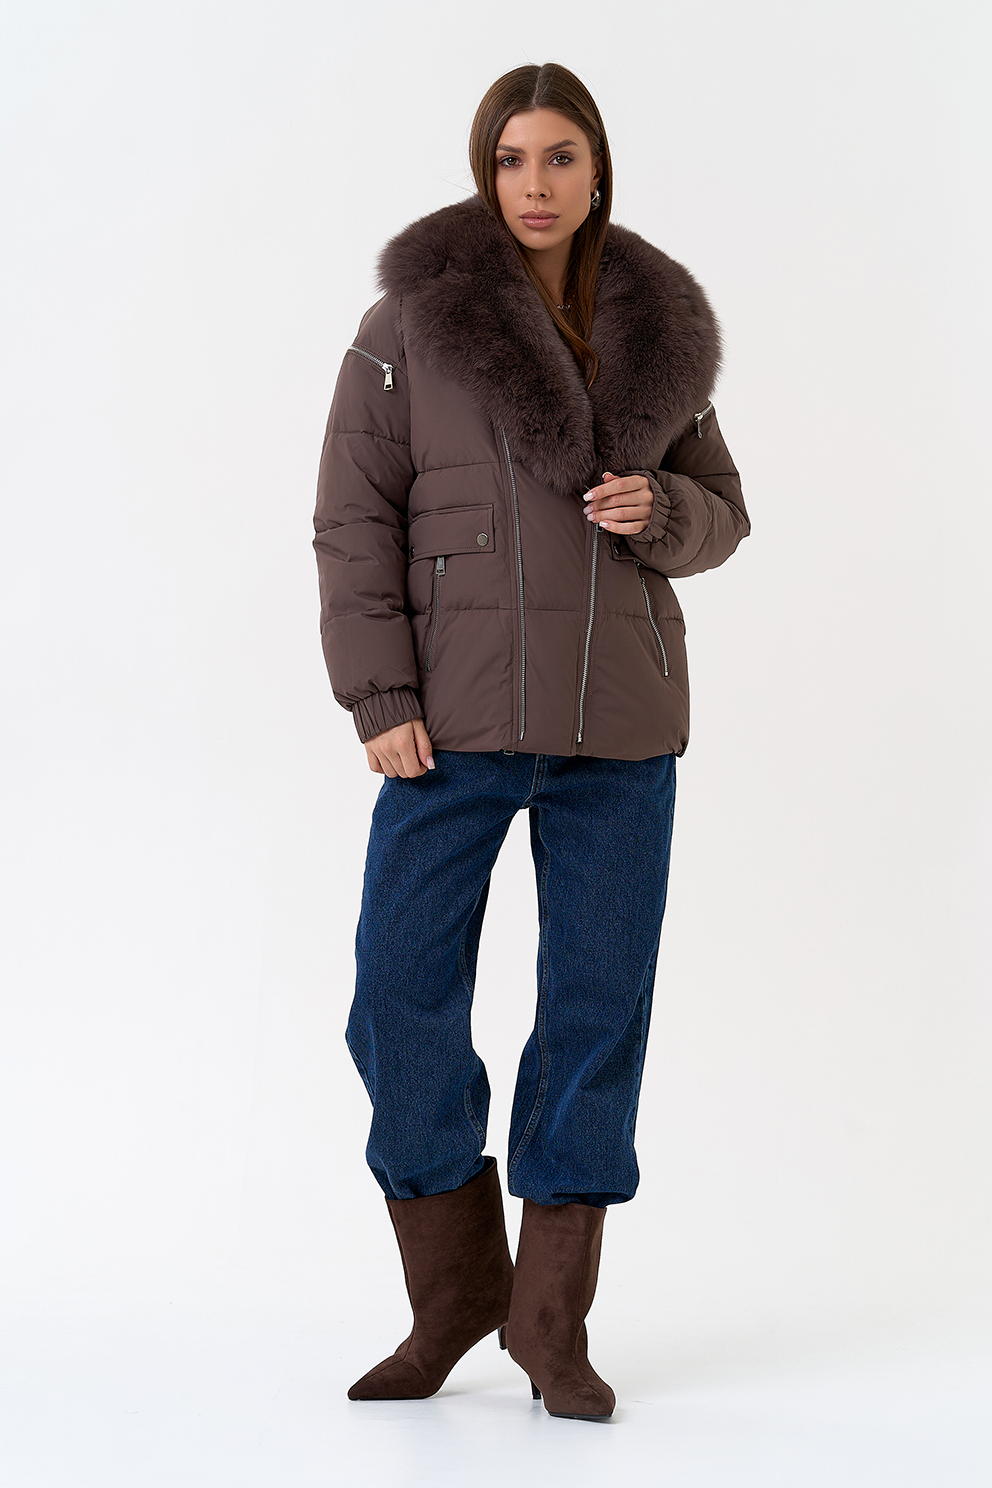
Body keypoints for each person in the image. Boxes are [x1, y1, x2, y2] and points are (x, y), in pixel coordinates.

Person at [312, 61, 749, 1423]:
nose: (536, 185)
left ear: (597, 168)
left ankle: (551, 1325)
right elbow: (353, 519)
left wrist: (661, 511)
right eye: (512, 159)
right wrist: (381, 697)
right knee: (397, 998)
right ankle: (454, 1297)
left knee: (596, 1014)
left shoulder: (657, 325)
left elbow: (724, 512)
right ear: (482, 168)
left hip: (622, 724)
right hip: (449, 726)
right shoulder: (410, 323)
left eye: (561, 157)